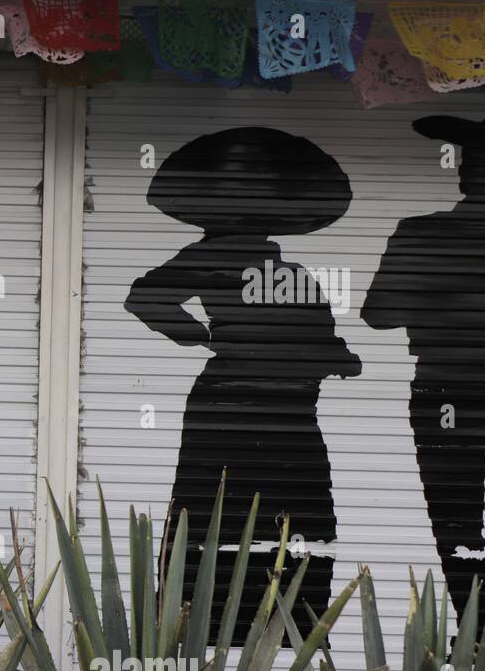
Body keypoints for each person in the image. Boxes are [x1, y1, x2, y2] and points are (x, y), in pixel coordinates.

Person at [125, 128, 361, 644]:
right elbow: (145, 297)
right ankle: (203, 623)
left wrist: (333, 357)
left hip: (293, 407)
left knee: (297, 509)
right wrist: (206, 337)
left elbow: (323, 338)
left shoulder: (294, 272)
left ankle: (289, 624)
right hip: (232, 403)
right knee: (218, 512)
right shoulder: (210, 256)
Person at [364, 110, 485, 625]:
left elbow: (378, 314)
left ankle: (472, 628)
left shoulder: (421, 233)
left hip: (445, 389)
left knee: (456, 519)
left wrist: (441, 291)